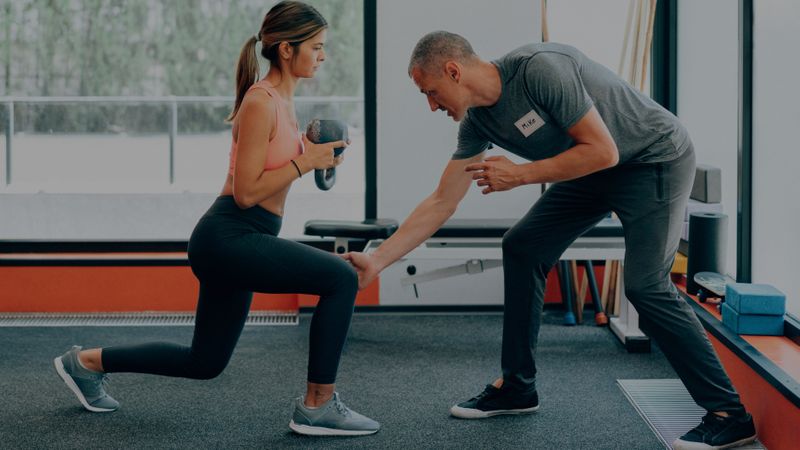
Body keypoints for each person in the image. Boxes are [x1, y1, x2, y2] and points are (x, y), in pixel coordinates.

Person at [345, 31, 756, 449]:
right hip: (594, 169)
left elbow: (604, 150)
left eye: (431, 92)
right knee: (522, 246)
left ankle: (729, 413)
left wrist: (521, 174)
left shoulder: (540, 70)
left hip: (653, 158)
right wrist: (377, 261)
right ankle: (518, 387)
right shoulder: (477, 122)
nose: (431, 105)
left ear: (454, 71)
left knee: (645, 286)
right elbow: (441, 201)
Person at [53, 1, 379, 437]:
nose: (323, 56)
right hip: (229, 234)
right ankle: (317, 406)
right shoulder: (260, 101)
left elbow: (272, 171)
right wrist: (306, 162)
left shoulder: (284, 102)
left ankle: (86, 362)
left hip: (246, 237)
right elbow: (245, 193)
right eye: (316, 47)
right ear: (286, 49)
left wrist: (312, 149)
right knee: (339, 279)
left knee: (204, 363)